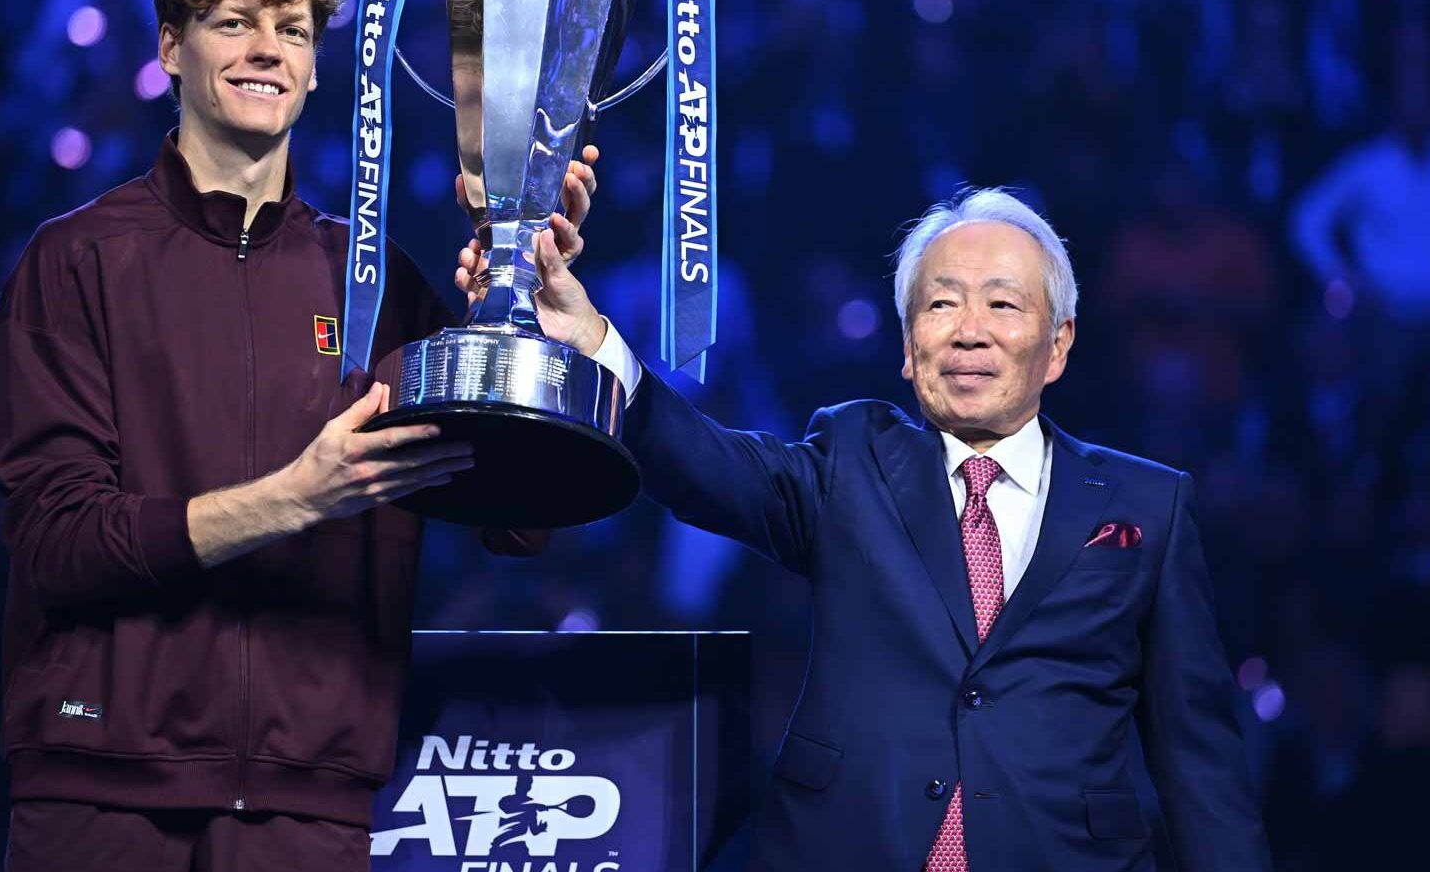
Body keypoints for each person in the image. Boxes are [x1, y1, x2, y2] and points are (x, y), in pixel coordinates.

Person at [0, 0, 598, 871]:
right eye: (234, 22)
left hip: (306, 802)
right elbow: (58, 542)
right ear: (169, 49)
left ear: (315, 71)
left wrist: (529, 305)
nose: (267, 48)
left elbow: (520, 517)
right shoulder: (77, 261)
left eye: (295, 31)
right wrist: (291, 500)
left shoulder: (379, 286)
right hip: (99, 786)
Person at [467, 187, 1271, 870]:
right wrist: (596, 342)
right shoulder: (854, 458)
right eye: (942, 302)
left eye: (1003, 303)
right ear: (907, 348)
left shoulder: (1147, 505)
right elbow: (707, 466)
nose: (970, 329)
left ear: (1056, 346)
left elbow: (1198, 760)